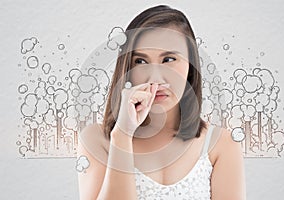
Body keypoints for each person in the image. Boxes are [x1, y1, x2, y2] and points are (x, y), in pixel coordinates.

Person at [77, 4, 246, 200]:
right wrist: (122, 135)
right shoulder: (97, 140)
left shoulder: (221, 144)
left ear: (191, 66)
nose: (156, 78)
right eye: (140, 61)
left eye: (169, 59)